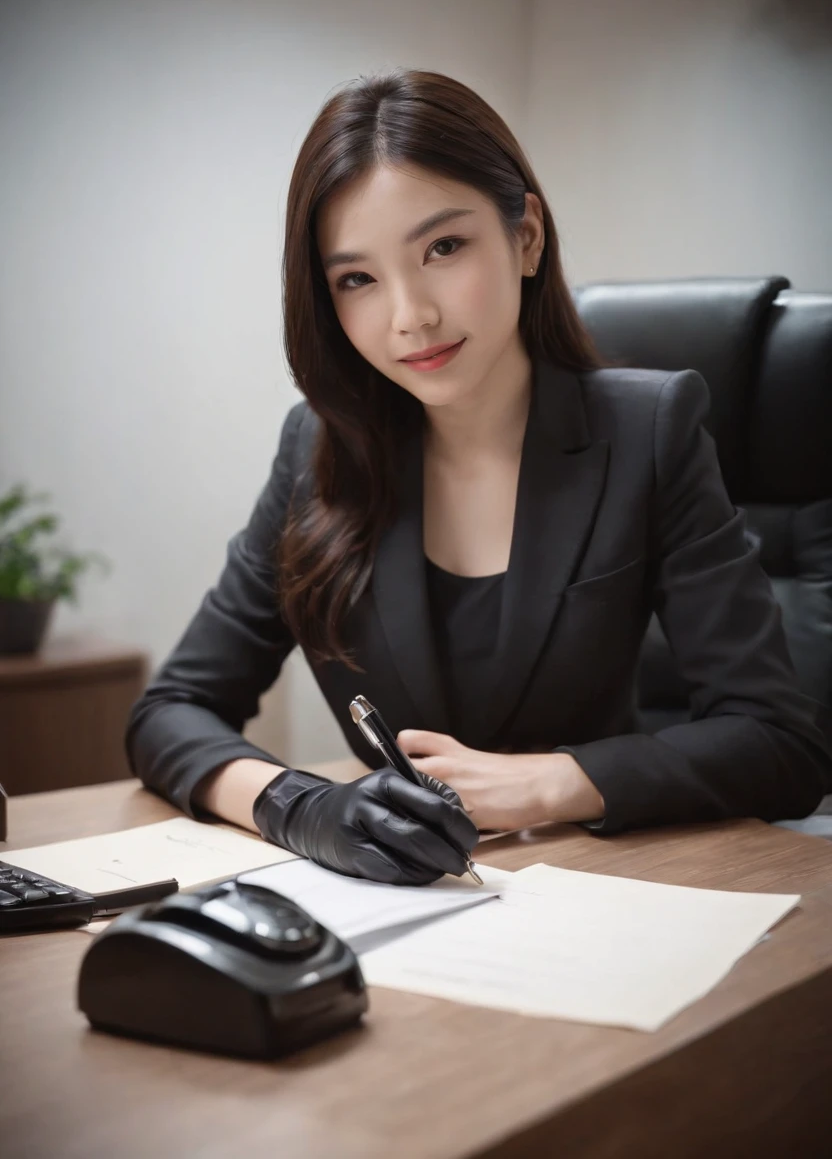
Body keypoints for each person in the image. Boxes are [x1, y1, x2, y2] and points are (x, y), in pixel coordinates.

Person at [126, 68, 831, 885]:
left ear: (525, 235)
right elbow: (170, 711)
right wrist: (300, 804)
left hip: (608, 890)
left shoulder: (649, 431)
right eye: (357, 278)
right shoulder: (319, 449)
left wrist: (546, 782)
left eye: (443, 248)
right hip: (395, 905)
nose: (409, 315)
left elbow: (781, 742)